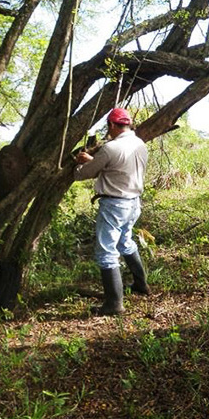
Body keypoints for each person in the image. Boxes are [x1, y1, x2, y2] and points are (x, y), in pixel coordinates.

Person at [74, 107, 150, 316]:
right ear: (128, 125)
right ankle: (140, 284)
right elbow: (118, 166)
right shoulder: (140, 144)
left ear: (112, 125)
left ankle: (114, 305)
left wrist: (79, 164)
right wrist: (96, 162)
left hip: (114, 205)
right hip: (133, 203)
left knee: (106, 251)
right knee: (125, 242)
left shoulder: (110, 148)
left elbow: (85, 174)